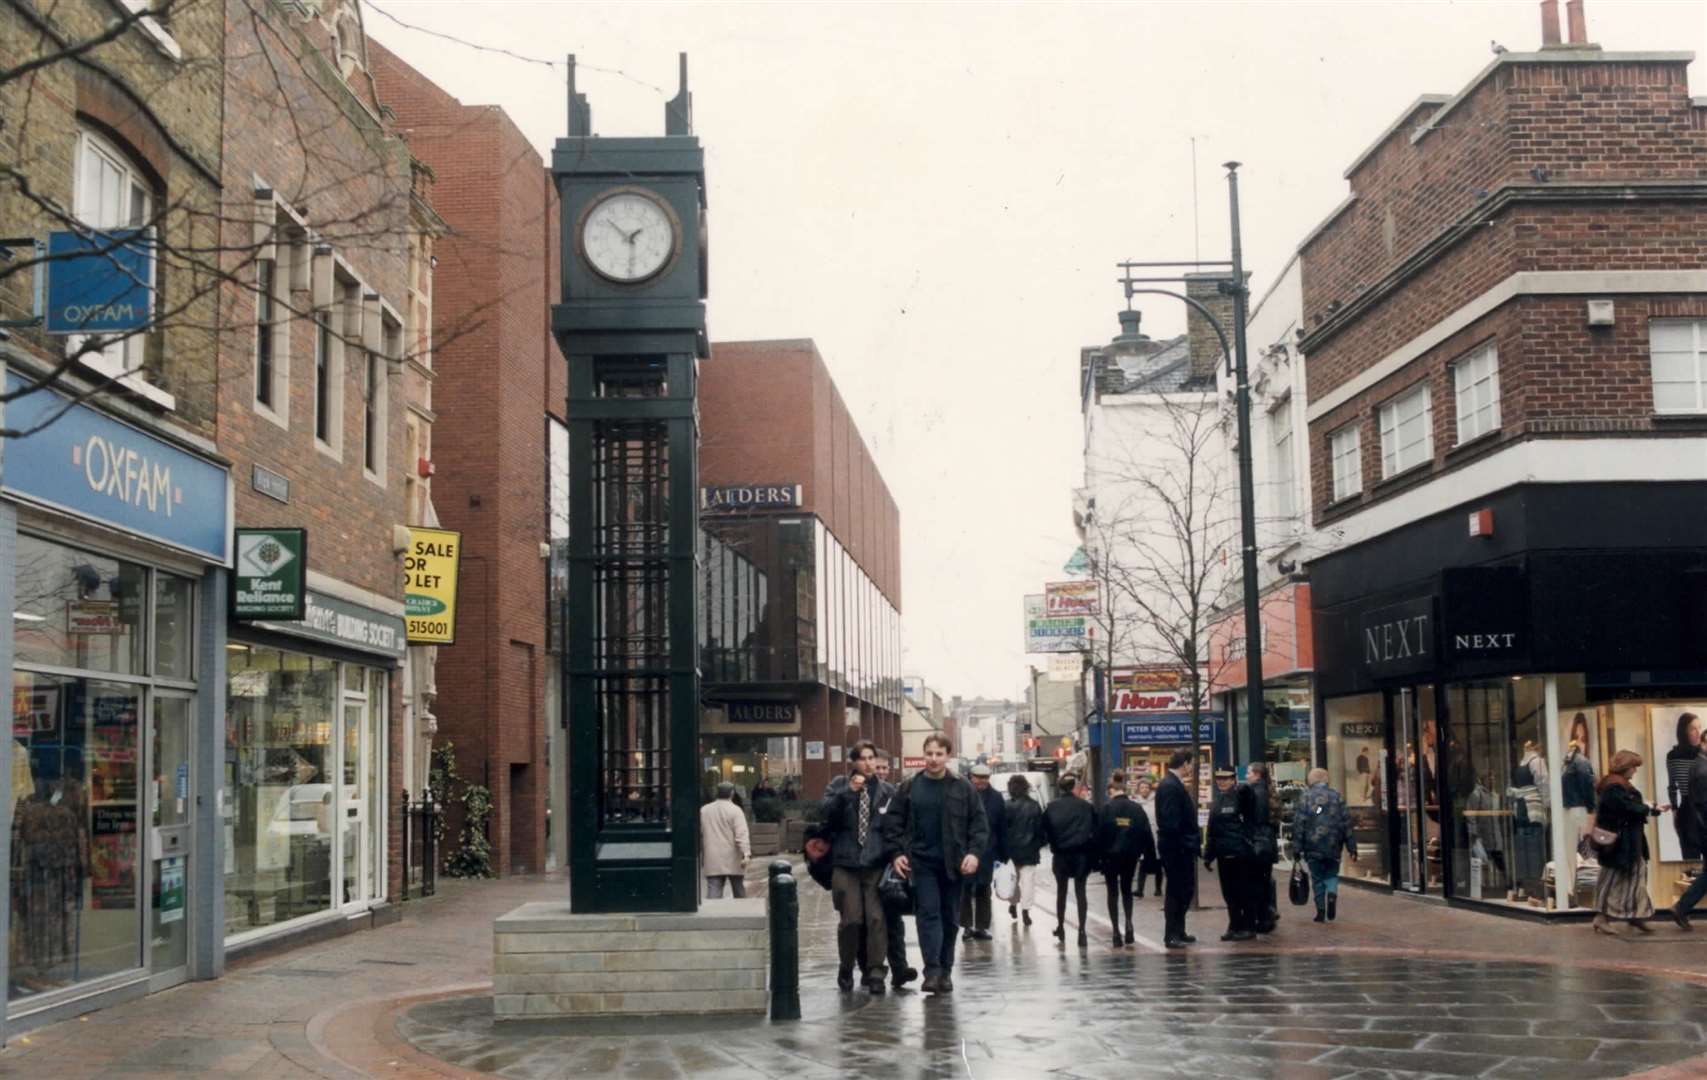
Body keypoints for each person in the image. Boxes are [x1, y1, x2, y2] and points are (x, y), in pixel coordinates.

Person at [883, 733, 988, 995]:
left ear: (947, 756)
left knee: (950, 919)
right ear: (923, 755)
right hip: (921, 863)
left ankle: (946, 970)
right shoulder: (909, 787)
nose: (933, 759)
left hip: (954, 865)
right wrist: (897, 853)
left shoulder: (963, 787)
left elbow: (979, 825)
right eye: (929, 753)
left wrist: (974, 853)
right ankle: (932, 971)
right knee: (928, 915)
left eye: (938, 754)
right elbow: (893, 823)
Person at [822, 742, 891, 992]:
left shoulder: (886, 791)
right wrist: (848, 793)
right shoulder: (839, 786)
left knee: (875, 918)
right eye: (863, 759)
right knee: (851, 920)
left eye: (872, 758)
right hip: (846, 863)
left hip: (874, 864)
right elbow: (827, 815)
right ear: (853, 762)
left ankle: (875, 972)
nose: (869, 763)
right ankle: (846, 965)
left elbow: (896, 826)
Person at [1592, 749, 1669, 936]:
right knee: (1614, 879)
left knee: (1636, 877)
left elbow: (1630, 806)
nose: (1635, 771)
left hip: (1629, 841)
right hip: (1620, 843)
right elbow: (1626, 807)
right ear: (1626, 767)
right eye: (1634, 767)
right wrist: (1649, 808)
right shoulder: (1613, 787)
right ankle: (1601, 918)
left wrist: (1650, 808)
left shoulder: (1618, 785)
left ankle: (1636, 915)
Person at [872, 758, 917, 986]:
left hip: (894, 861)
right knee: (876, 920)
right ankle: (871, 968)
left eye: (883, 767)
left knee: (892, 919)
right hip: (874, 864)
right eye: (876, 766)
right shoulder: (860, 789)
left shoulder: (896, 791)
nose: (880, 771)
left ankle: (899, 968)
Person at [1097, 770, 1154, 948]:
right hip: (1130, 856)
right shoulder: (1136, 809)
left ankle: (1115, 931)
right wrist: (1148, 857)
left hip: (1110, 857)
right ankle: (1129, 923)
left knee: (1112, 892)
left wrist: (1098, 858)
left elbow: (1099, 835)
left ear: (1110, 791)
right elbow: (1146, 833)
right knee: (1127, 890)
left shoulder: (1106, 809)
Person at [1293, 767, 1358, 923]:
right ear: (1326, 779)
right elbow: (1346, 822)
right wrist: (1351, 846)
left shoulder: (1306, 797)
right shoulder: (1337, 797)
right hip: (1334, 844)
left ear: (1310, 780)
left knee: (1316, 878)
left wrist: (1297, 847)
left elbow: (1299, 823)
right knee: (1331, 873)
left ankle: (1321, 910)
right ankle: (1332, 893)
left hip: (1312, 844)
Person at [1041, 772, 1097, 947]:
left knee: (1061, 892)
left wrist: (1054, 842)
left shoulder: (1051, 807)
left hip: (1061, 855)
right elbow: (1094, 829)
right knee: (1081, 892)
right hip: (1081, 854)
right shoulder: (1085, 807)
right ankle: (1082, 931)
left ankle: (1061, 927)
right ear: (1074, 787)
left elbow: (1044, 831)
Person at [1204, 766, 1259, 942]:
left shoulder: (1240, 795)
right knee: (1228, 894)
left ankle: (1248, 927)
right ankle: (1234, 925)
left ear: (1234, 779)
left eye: (1226, 778)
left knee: (1244, 891)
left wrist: (1243, 787)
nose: (1222, 781)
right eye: (1219, 778)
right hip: (1223, 853)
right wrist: (1208, 854)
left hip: (1240, 852)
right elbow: (1212, 830)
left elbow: (1250, 800)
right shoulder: (1217, 801)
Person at [1155, 750, 1201, 949]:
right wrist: (1185, 841)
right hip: (1176, 848)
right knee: (1176, 890)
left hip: (1179, 846)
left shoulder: (1172, 784)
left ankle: (1179, 930)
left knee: (1184, 889)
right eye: (1190, 764)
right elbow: (1170, 821)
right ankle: (1171, 934)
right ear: (1184, 764)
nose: (1191, 768)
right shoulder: (1170, 786)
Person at [957, 764, 1006, 942]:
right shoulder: (962, 795)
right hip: (965, 850)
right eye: (978, 778)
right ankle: (967, 927)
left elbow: (1002, 826)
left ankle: (982, 927)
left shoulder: (996, 798)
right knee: (965, 888)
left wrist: (1003, 853)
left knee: (984, 889)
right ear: (971, 777)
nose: (981, 782)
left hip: (988, 851)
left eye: (985, 778)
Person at [1674, 740, 1707, 931]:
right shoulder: (1702, 770)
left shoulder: (1698, 765)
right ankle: (1681, 907)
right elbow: (1704, 806)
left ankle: (1681, 907)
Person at [1244, 761, 1280, 933]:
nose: (1246, 775)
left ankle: (1263, 918)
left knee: (1257, 882)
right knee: (1265, 880)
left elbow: (1256, 820)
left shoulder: (1256, 792)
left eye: (1249, 772)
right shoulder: (1267, 791)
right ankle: (1268, 914)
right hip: (1267, 842)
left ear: (1257, 774)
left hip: (1259, 842)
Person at [1004, 773, 1043, 927]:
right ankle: (1026, 910)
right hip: (1030, 850)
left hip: (1011, 851)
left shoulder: (1006, 806)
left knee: (1013, 880)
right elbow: (1040, 830)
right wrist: (1038, 844)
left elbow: (1002, 830)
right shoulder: (1034, 805)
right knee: (1028, 882)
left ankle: (1013, 904)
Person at [699, 783, 750, 899]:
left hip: (712, 856)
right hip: (733, 856)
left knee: (713, 890)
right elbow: (741, 834)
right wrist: (746, 853)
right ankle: (742, 914)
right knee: (739, 890)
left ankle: (712, 916)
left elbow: (700, 831)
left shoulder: (704, 810)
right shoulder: (736, 810)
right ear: (732, 793)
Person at [1562, 737, 1598, 897]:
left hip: (1573, 809)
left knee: (1577, 851)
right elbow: (1588, 787)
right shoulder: (1581, 762)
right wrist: (1591, 808)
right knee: (1579, 850)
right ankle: (1573, 890)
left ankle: (1574, 890)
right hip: (1578, 809)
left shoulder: (1568, 764)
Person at [1668, 713, 1702, 860]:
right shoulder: (1673, 755)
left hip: (1704, 805)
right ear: (1684, 731)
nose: (1698, 732)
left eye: (1700, 728)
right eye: (1693, 729)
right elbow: (1672, 786)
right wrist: (1674, 811)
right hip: (1687, 810)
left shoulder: (1703, 753)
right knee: (1690, 860)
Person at [1133, 775, 1164, 899]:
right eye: (1142, 787)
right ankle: (1140, 889)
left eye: (1146, 787)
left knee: (1158, 863)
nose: (1144, 789)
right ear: (1138, 789)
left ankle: (1158, 889)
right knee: (1143, 863)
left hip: (1156, 835)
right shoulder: (1135, 803)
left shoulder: (1156, 802)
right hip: (1142, 837)